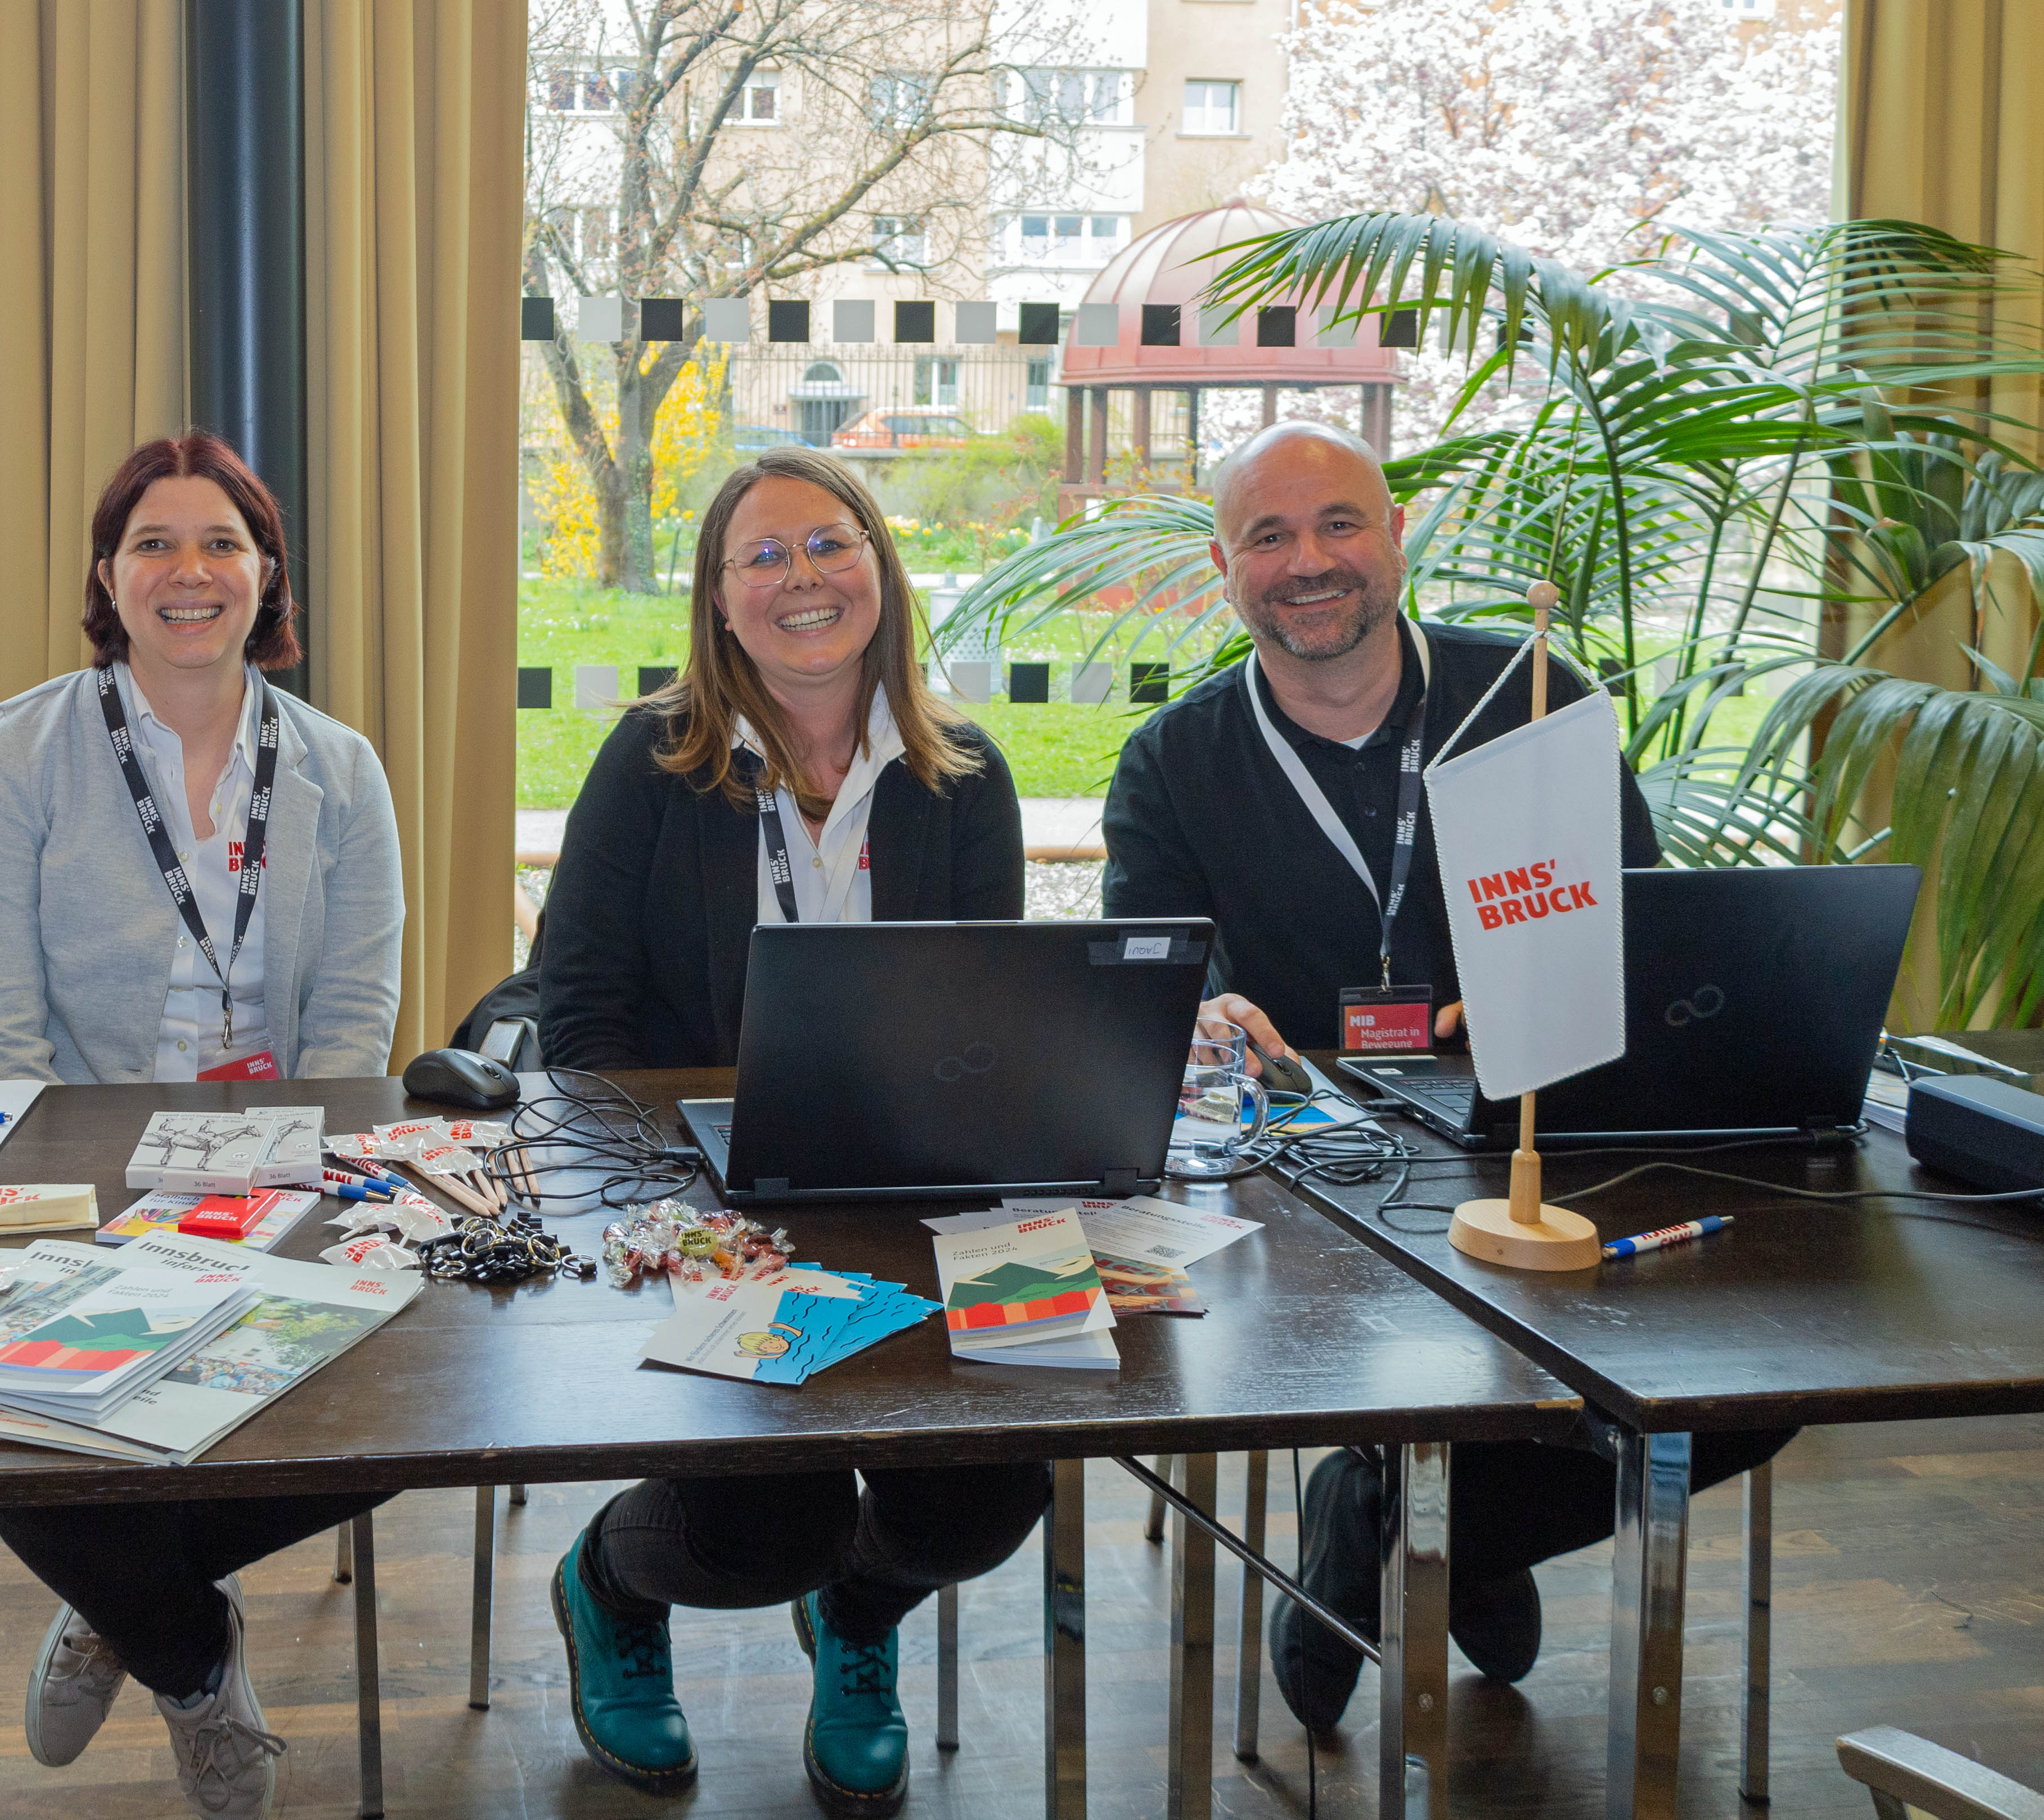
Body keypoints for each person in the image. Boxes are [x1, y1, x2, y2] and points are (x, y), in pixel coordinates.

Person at [1099, 419, 1792, 1732]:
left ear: (1398, 534)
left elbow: (1636, 932)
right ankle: (1450, 1518)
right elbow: (1147, 983)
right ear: (1227, 568)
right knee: (1370, 1346)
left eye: (1339, 524)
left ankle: (1408, 1524)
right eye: (1268, 536)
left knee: (1756, 1377)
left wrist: (1546, 984)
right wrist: (1202, 1013)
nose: (1310, 561)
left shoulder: (1532, 696)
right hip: (1303, 1174)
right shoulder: (1175, 759)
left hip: (1534, 1124)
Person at [537, 444, 1046, 1818]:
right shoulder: (651, 765)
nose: (802, 577)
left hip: (909, 1196)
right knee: (765, 1524)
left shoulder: (966, 775)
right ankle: (607, 1583)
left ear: (880, 565)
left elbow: (986, 1021)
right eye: (761, 556)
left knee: (990, 1496)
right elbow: (577, 1020)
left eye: (830, 544)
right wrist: (681, 1203)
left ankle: (858, 1614)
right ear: (717, 599)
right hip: (702, 1199)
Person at [0, 430, 405, 1818]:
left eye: (220, 544)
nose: (188, 571)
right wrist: (98, 1210)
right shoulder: (14, 754)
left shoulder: (340, 767)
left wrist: (290, 1193)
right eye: (154, 543)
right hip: (84, 1177)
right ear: (107, 577)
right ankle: (188, 1656)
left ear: (266, 575)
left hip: (287, 1170)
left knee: (405, 1409)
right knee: (19, 1456)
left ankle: (122, 1601)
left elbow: (353, 1023)